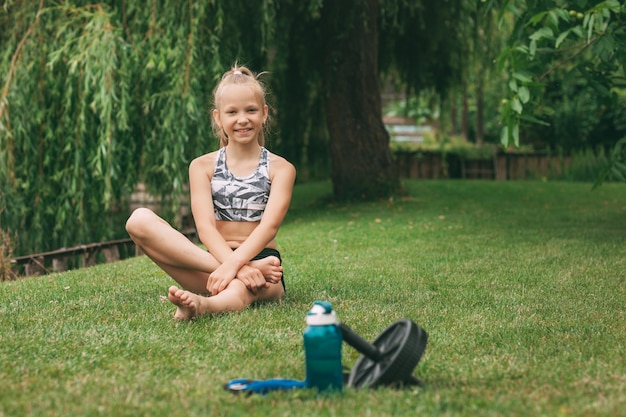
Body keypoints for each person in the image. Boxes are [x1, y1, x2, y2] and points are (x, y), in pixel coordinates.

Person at [125, 65, 296, 320]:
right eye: (232, 112)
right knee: (138, 220)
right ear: (218, 118)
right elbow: (205, 229)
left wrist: (238, 265)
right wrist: (237, 266)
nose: (242, 119)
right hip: (214, 261)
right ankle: (237, 274)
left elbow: (268, 228)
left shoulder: (280, 168)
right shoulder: (202, 166)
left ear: (264, 114)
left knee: (242, 288)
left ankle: (202, 306)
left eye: (251, 110)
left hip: (263, 262)